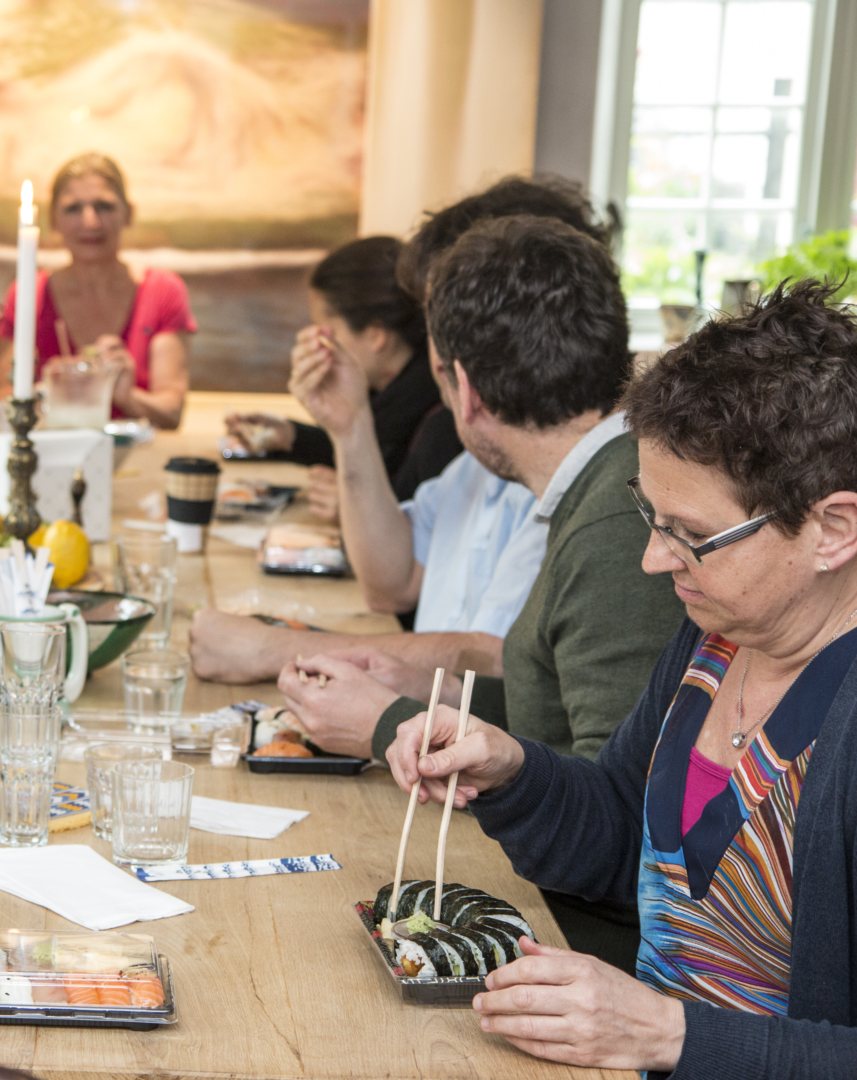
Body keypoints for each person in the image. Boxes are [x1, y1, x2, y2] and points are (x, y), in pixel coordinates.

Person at [387, 282, 857, 1077]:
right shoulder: (713, 640)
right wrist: (512, 773)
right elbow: (623, 842)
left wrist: (668, 1037)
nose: (653, 559)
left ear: (832, 530)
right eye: (652, 517)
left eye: (693, 535)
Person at [280, 214, 686, 969]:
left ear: (462, 388)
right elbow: (560, 718)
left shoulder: (618, 521)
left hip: (587, 957)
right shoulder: (596, 490)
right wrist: (422, 711)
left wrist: (391, 722)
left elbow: (624, 826)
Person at [192, 173, 618, 687]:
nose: (430, 343)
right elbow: (391, 584)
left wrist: (276, 647)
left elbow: (499, 664)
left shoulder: (584, 480)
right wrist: (350, 428)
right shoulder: (475, 460)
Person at [224, 236, 464, 511]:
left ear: (375, 336)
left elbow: (424, 526)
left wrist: (354, 509)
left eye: (327, 332)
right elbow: (365, 448)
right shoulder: (389, 397)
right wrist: (290, 435)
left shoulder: (439, 423)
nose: (318, 345)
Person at [0, 152, 195, 430]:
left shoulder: (163, 292)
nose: (90, 222)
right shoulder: (29, 295)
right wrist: (60, 389)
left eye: (104, 206)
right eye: (73, 209)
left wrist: (127, 396)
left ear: (129, 214)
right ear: (53, 220)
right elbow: (4, 403)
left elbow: (171, 411)